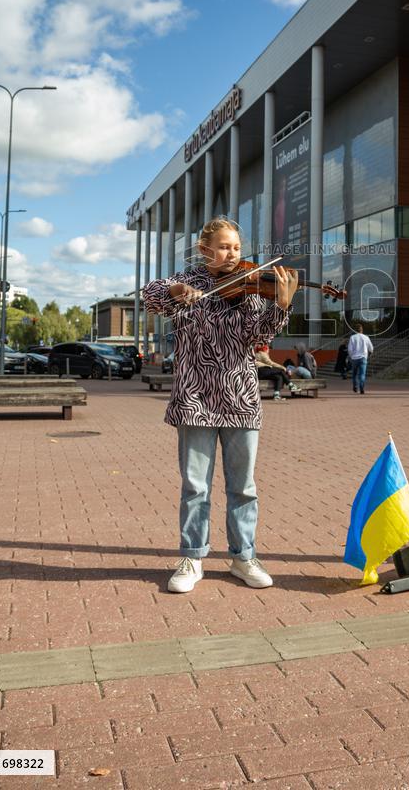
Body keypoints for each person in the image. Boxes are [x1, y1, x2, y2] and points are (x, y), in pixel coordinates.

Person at [143, 217, 299, 593]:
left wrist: (281, 305)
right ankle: (192, 557)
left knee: (243, 486)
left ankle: (243, 557)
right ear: (205, 250)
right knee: (195, 485)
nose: (232, 254)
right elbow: (150, 294)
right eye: (225, 247)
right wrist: (179, 289)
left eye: (237, 248)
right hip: (194, 397)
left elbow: (256, 338)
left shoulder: (250, 289)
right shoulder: (187, 283)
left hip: (240, 399)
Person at [348, 323, 374, 395]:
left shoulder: (352, 337)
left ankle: (355, 386)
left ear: (355, 330)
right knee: (362, 374)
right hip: (363, 358)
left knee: (354, 374)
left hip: (354, 358)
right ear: (362, 330)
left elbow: (350, 349)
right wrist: (370, 354)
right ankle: (362, 388)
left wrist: (351, 356)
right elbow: (371, 348)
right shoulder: (366, 337)